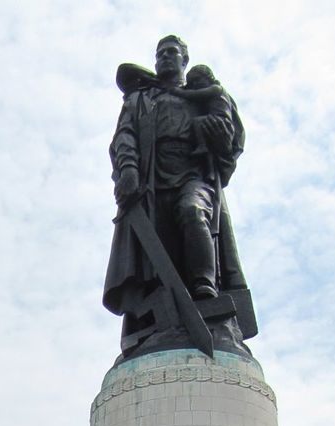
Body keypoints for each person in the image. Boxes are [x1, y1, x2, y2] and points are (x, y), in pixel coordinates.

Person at [104, 35, 248, 337]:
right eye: (160, 54)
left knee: (194, 212)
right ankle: (158, 322)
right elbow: (124, 137)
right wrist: (128, 169)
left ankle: (205, 288)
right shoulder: (140, 99)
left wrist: (219, 136)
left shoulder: (204, 95)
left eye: (172, 52)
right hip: (152, 182)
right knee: (157, 253)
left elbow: (231, 140)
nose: (165, 58)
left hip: (194, 173)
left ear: (184, 58)